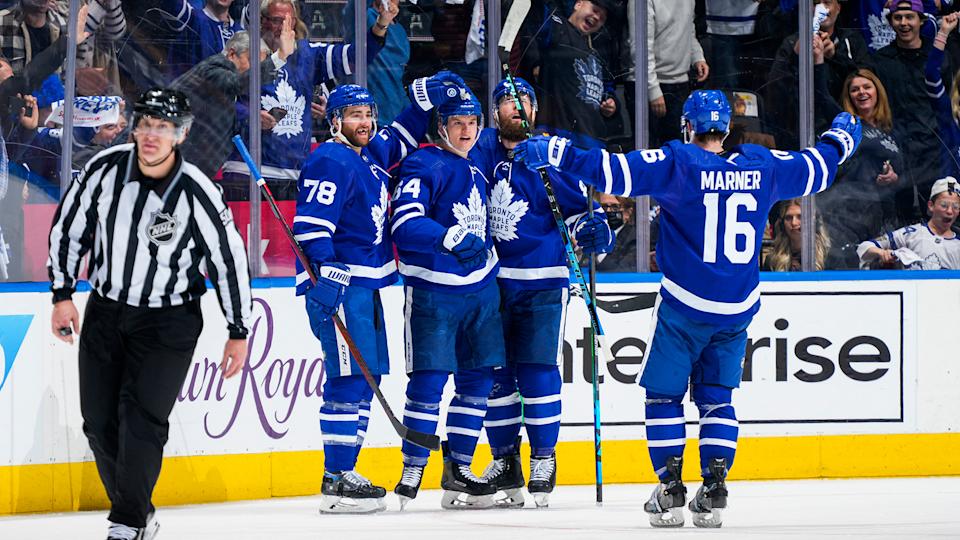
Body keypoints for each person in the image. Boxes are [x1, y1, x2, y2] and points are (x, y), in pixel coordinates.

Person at [514, 90, 861, 528]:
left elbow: (612, 173)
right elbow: (818, 168)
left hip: (685, 308)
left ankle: (669, 486)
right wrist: (842, 137)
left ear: (687, 127)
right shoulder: (763, 164)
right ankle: (714, 486)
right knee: (718, 398)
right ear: (727, 130)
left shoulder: (678, 162)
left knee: (663, 396)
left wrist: (556, 149)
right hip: (738, 308)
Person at [47, 87, 252, 540]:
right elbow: (69, 230)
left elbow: (228, 259)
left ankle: (127, 522)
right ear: (135, 127)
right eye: (146, 124)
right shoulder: (102, 170)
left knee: (142, 419)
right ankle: (138, 510)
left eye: (163, 127)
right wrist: (62, 294)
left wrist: (238, 329)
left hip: (169, 321)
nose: (152, 135)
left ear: (180, 134)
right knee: (98, 422)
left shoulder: (197, 191)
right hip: (106, 311)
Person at [294, 72, 465, 514]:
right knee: (349, 380)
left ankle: (345, 472)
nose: (365, 121)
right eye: (355, 115)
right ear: (335, 120)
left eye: (369, 113)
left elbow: (404, 133)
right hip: (341, 283)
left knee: (367, 379)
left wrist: (428, 98)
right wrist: (327, 271)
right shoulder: (332, 159)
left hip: (365, 283)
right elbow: (312, 224)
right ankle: (336, 480)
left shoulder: (367, 157)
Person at [469, 77, 613, 509]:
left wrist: (594, 231)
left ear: (534, 108)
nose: (517, 108)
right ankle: (505, 460)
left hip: (541, 281)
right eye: (508, 103)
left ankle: (544, 458)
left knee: (535, 371)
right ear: (494, 113)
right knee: (496, 377)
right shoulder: (476, 150)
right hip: (488, 284)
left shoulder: (549, 154)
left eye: (525, 101)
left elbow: (582, 213)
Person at [389, 88, 506, 510]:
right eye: (458, 123)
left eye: (473, 123)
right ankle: (412, 466)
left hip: (481, 292)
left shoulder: (476, 164)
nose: (467, 131)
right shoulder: (423, 163)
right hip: (435, 294)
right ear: (440, 125)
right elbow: (404, 225)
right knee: (429, 384)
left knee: (477, 382)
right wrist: (449, 236)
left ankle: (459, 469)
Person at [218, 0, 396, 201]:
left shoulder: (307, 53)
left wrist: (382, 23)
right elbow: (219, 101)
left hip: (294, 174)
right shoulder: (245, 50)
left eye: (289, 21)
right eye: (277, 20)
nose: (284, 28)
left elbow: (353, 58)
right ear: (262, 21)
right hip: (246, 171)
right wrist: (250, 116)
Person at [172, 28, 294, 178]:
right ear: (231, 54)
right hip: (179, 159)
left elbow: (222, 120)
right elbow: (236, 83)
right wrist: (280, 56)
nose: (252, 70)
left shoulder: (223, 83)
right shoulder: (214, 68)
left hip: (191, 164)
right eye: (251, 61)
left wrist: (255, 119)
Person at [814, 63, 903, 266]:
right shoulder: (849, 125)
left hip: (882, 215)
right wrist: (819, 61)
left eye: (866, 87)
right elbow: (821, 96)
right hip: (845, 214)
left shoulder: (892, 130)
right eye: (855, 89)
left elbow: (905, 172)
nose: (861, 92)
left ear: (877, 91)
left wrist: (894, 177)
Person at [871, 0, 949, 223]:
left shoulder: (938, 57)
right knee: (900, 216)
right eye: (898, 18)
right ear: (890, 21)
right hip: (896, 149)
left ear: (921, 20)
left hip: (932, 148)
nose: (904, 23)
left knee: (936, 211)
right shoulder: (879, 60)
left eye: (910, 17)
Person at [767, 0, 869, 149]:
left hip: (845, 130)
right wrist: (796, 57)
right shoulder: (791, 43)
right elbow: (775, 91)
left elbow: (868, 82)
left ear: (839, 7)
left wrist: (835, 57)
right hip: (799, 132)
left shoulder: (851, 41)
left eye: (827, 2)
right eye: (815, 3)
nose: (821, 7)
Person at [519, 0, 619, 149]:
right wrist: (535, 62)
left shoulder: (597, 52)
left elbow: (607, 88)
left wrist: (611, 103)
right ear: (578, 4)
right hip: (559, 135)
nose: (597, 18)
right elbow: (537, 11)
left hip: (593, 142)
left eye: (602, 18)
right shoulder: (556, 26)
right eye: (595, 10)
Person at [641, 0, 709, 147]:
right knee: (651, 152)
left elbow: (689, 30)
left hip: (680, 83)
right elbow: (641, 47)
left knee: (677, 149)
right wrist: (653, 91)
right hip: (651, 84)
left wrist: (697, 57)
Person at [857, 176, 960, 269]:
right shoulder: (910, 233)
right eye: (944, 205)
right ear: (931, 205)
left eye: (955, 207)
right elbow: (865, 247)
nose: (950, 211)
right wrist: (882, 253)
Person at [761, 198, 831, 271]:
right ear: (782, 224)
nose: (794, 223)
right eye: (788, 218)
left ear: (813, 221)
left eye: (800, 217)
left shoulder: (830, 258)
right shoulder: (772, 261)